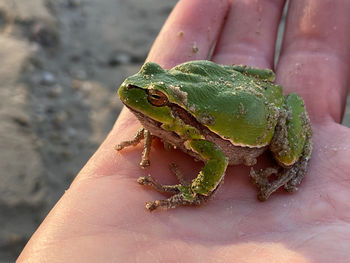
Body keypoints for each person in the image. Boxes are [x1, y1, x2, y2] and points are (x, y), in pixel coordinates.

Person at [17, 0, 350, 262]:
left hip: (265, 119)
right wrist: (156, 127)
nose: (131, 88)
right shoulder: (174, 98)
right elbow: (158, 90)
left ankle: (300, 159)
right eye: (151, 81)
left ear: (170, 107)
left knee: (287, 155)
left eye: (156, 98)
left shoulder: (196, 134)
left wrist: (194, 192)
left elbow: (217, 158)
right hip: (232, 93)